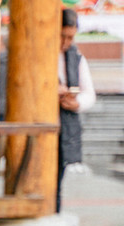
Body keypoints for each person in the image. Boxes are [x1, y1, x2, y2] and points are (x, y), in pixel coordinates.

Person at [57, 7, 96, 212]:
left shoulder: (76, 56)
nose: (66, 43)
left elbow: (90, 94)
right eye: (62, 36)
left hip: (65, 127)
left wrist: (77, 103)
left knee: (58, 180)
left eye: (70, 38)